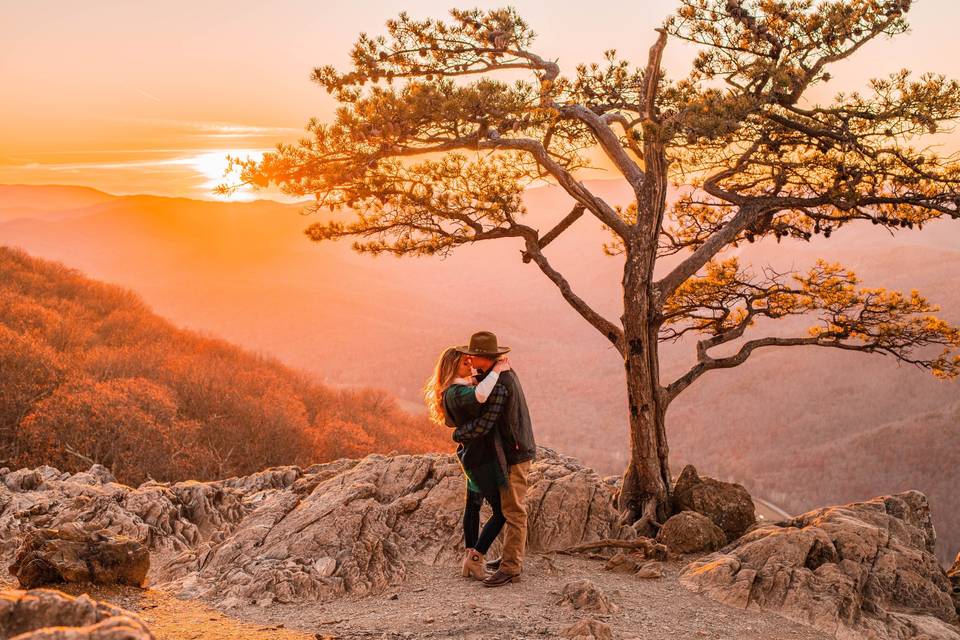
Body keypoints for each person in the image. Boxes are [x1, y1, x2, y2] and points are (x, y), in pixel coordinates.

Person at [454, 331, 535, 588]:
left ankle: (511, 568)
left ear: (484, 358)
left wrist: (459, 433)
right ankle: (510, 559)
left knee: (513, 510)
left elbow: (487, 420)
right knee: (510, 508)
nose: (470, 360)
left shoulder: (501, 382)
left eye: (474, 356)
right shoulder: (499, 375)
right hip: (513, 451)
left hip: (515, 453)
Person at [424, 345, 512, 580]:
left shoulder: (454, 389)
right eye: (465, 363)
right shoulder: (456, 392)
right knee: (502, 512)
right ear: (453, 366)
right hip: (480, 459)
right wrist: (498, 370)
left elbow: (475, 392)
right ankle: (476, 559)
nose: (470, 366)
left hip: (471, 456)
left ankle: (468, 560)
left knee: (472, 506)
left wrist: (476, 375)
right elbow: (481, 396)